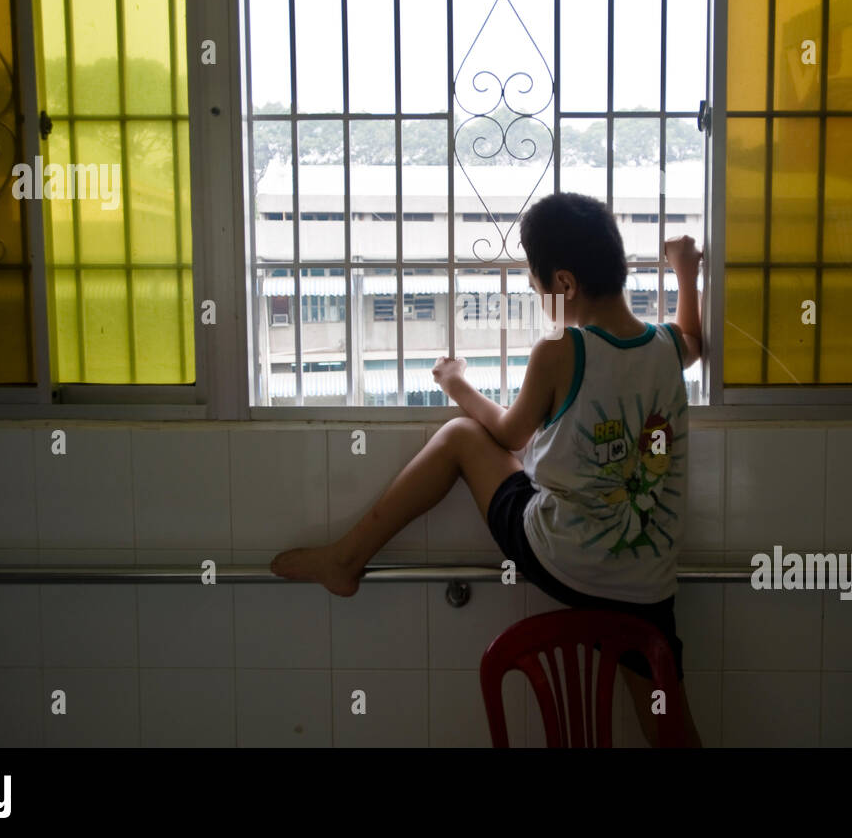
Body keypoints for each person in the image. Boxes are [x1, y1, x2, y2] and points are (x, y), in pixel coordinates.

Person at [271, 191, 704, 748]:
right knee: (675, 736)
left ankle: (345, 560)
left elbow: (508, 435)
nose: (532, 287)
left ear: (565, 283)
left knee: (458, 435)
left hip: (565, 560)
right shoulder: (665, 347)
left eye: (535, 277)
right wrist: (685, 273)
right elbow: (692, 337)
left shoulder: (561, 350)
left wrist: (455, 385)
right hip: (645, 584)